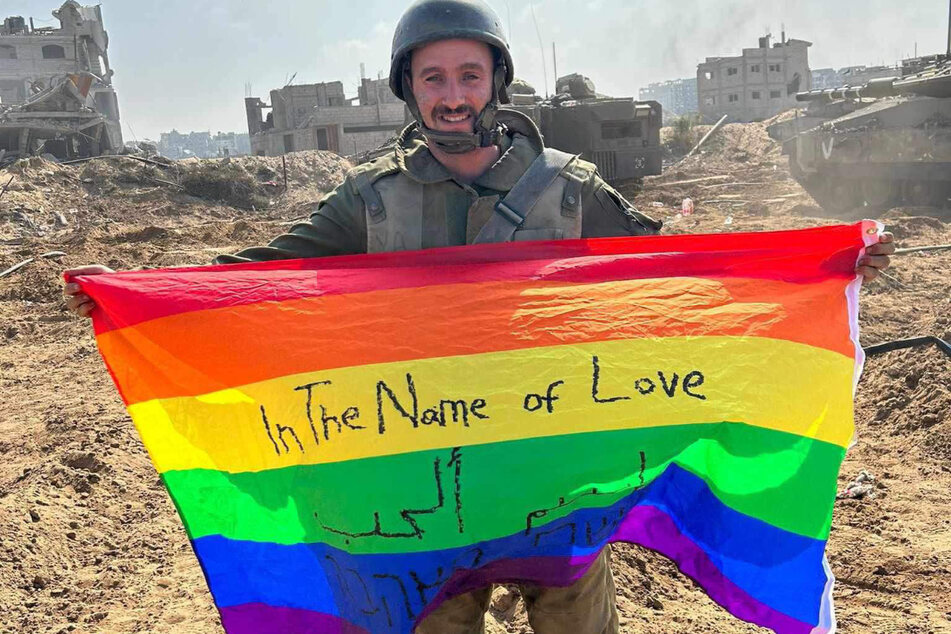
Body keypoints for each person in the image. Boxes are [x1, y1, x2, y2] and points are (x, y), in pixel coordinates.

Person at [63, 0, 896, 631]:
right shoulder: (369, 201)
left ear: (494, 82)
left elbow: (679, 280)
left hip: (560, 470)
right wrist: (136, 293)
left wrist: (825, 265)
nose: (452, 95)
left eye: (468, 75)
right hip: (420, 477)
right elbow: (259, 273)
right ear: (409, 90)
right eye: (433, 77)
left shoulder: (569, 189)